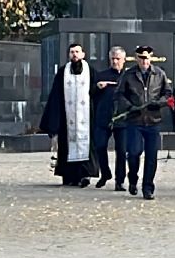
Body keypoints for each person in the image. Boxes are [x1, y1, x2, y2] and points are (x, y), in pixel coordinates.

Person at [114, 46, 170, 198]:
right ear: (137, 58)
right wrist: (130, 107)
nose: (144, 61)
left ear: (151, 58)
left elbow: (168, 93)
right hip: (135, 120)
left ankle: (148, 187)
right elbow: (119, 95)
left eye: (147, 58)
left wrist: (158, 103)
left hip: (153, 120)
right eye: (141, 58)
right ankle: (133, 178)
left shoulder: (159, 74)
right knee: (133, 152)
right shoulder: (129, 75)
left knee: (152, 156)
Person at [41, 44, 96, 188]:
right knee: (66, 147)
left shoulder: (91, 72)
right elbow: (55, 96)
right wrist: (54, 121)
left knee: (86, 146)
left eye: (77, 52)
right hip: (67, 119)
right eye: (72, 52)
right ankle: (69, 176)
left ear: (83, 54)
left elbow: (96, 93)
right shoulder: (62, 72)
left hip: (86, 119)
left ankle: (85, 175)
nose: (75, 55)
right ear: (69, 55)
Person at [91, 46, 126, 189]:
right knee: (100, 146)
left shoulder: (128, 76)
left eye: (118, 59)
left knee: (122, 150)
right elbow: (91, 93)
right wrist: (97, 87)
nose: (115, 61)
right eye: (112, 58)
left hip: (122, 118)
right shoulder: (101, 75)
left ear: (124, 60)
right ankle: (105, 173)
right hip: (103, 117)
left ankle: (120, 180)